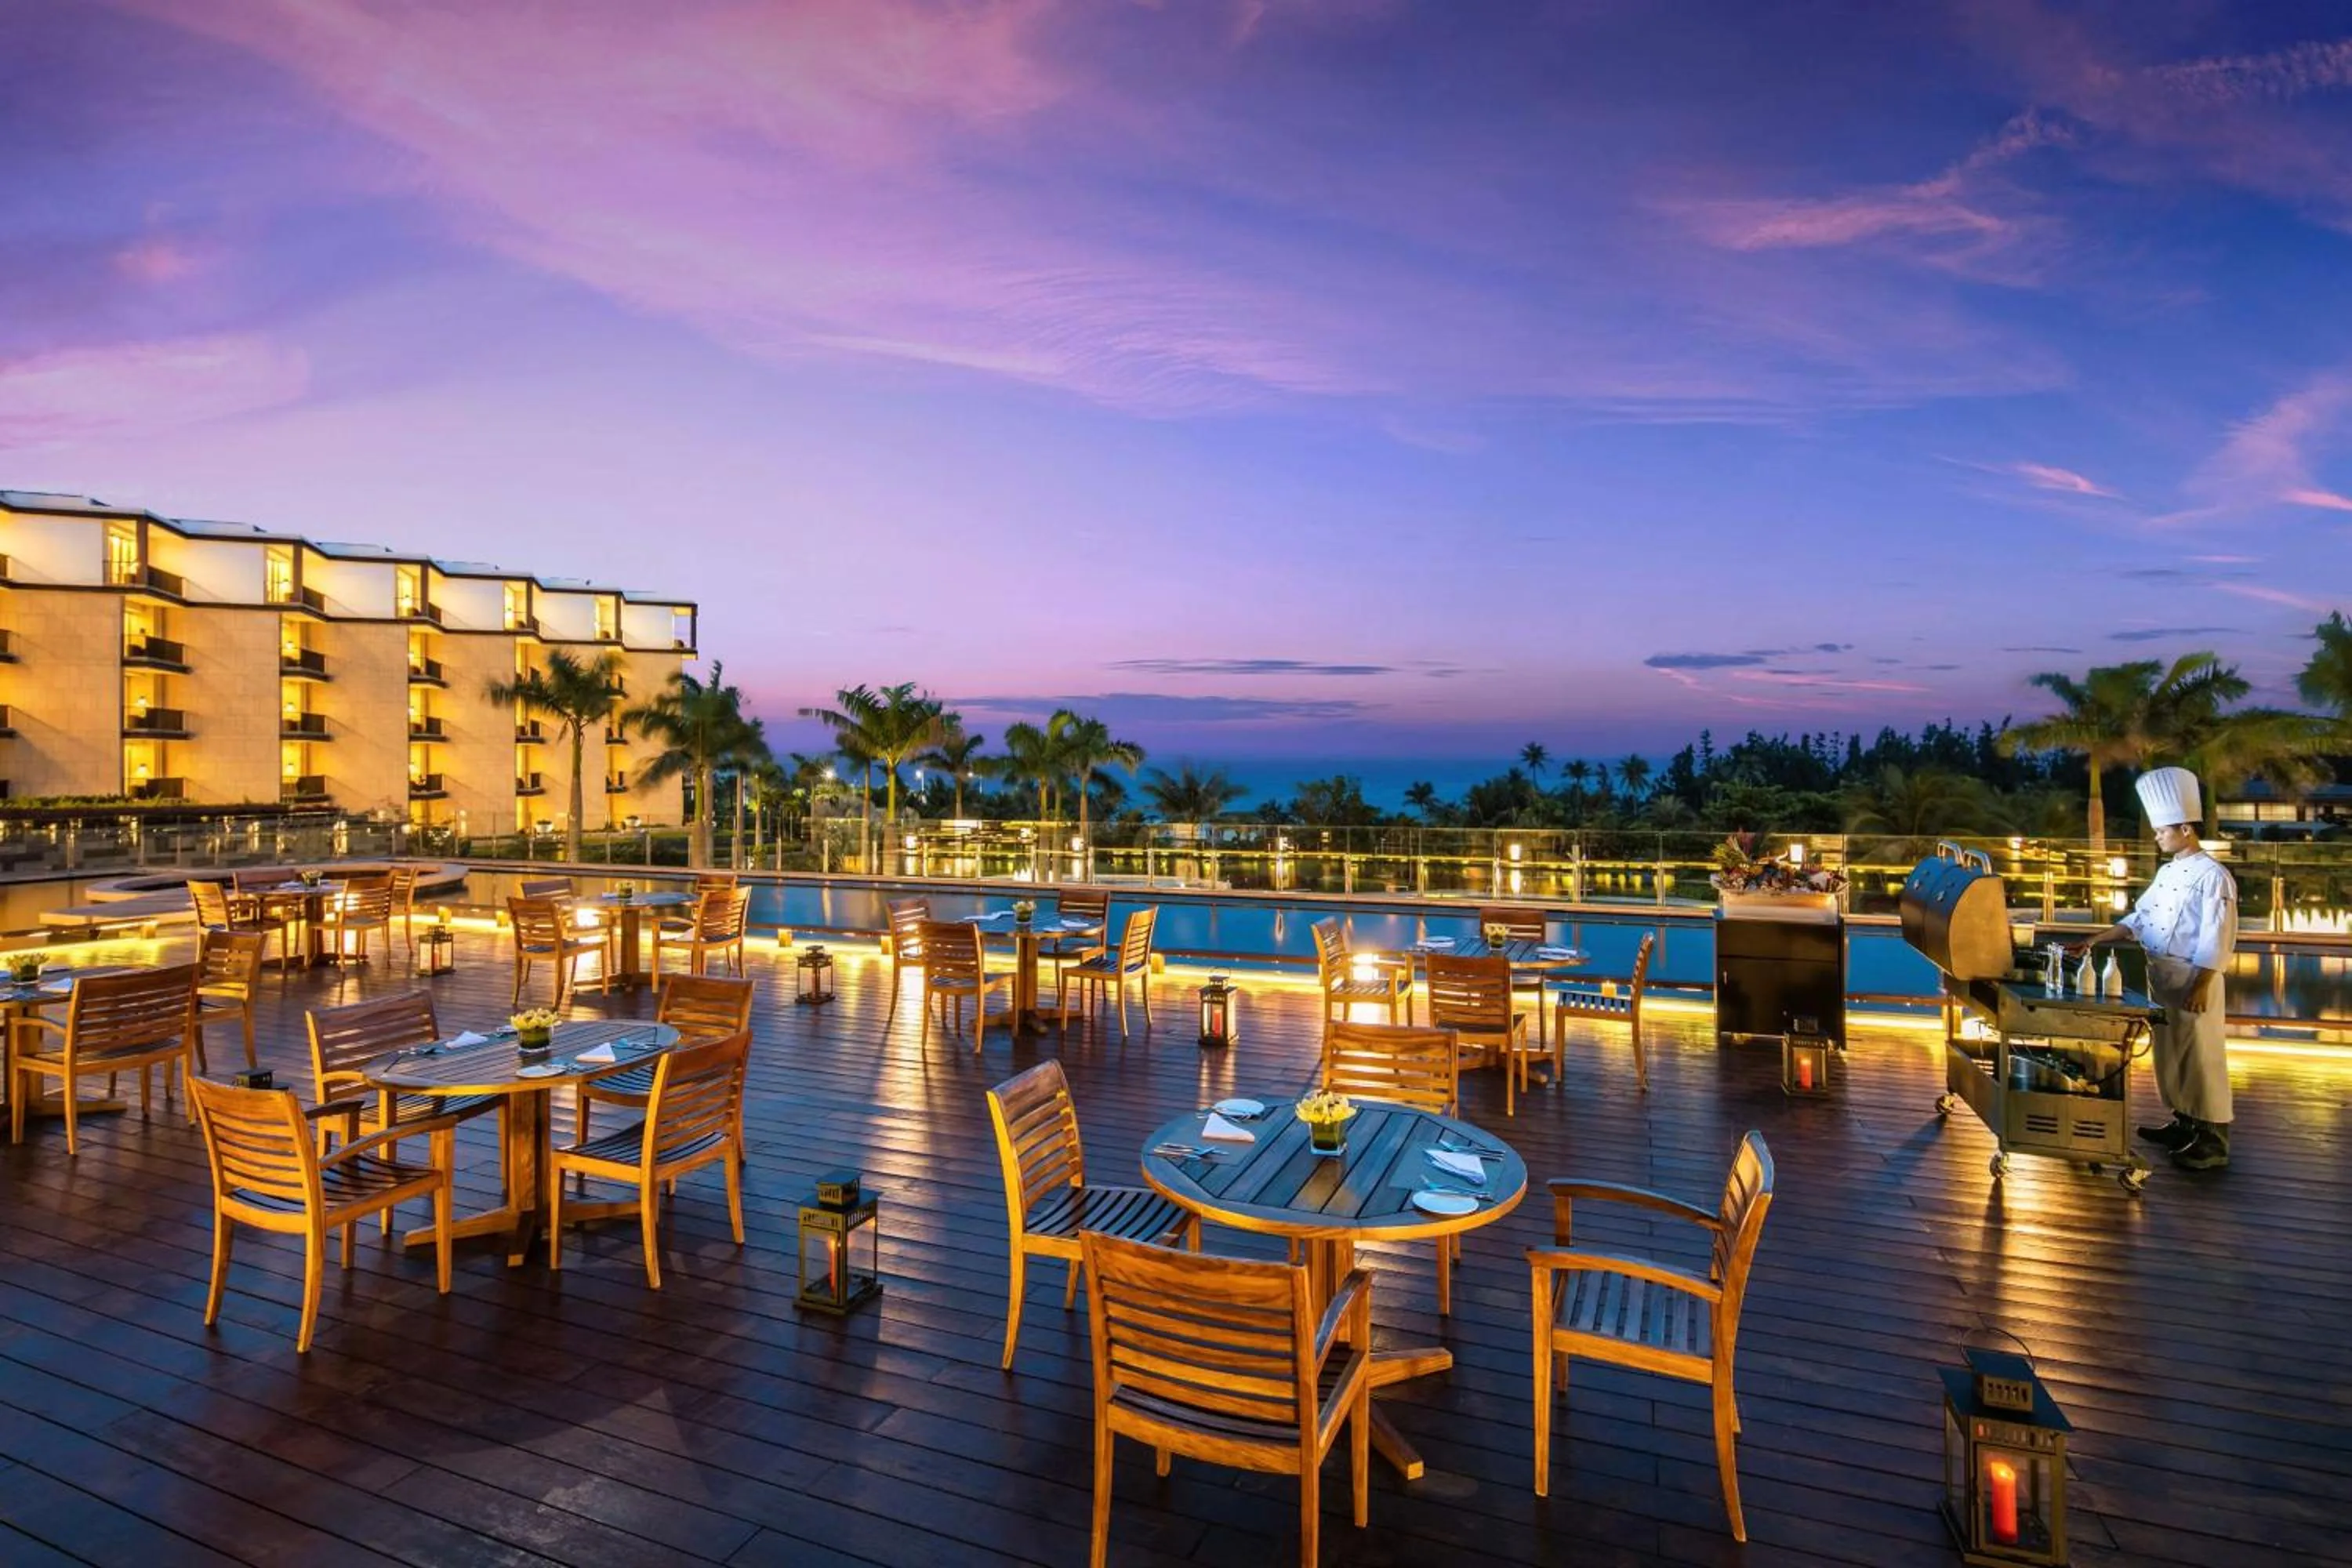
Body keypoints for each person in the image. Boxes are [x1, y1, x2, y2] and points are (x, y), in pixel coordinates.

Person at [2072, 767, 2238, 1171]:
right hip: (2162, 977)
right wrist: (2093, 941)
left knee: (2201, 1058)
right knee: (2170, 1056)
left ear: (2184, 828)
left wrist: (2201, 985)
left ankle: (2213, 1141)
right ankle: (2183, 1124)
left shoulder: (2213, 877)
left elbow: (2217, 938)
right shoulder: (2166, 873)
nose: (2157, 837)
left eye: (2162, 831)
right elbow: (2138, 919)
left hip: (2194, 979)